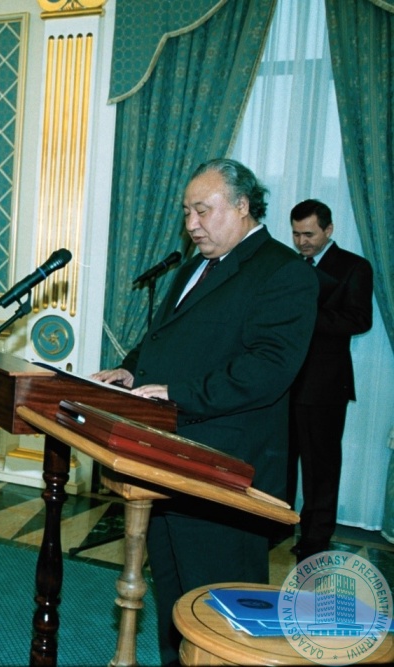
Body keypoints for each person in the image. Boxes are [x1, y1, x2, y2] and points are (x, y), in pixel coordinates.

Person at [91, 159, 317, 666]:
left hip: (226, 468)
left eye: (202, 210)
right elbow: (162, 338)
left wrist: (178, 393)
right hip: (169, 459)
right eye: (186, 212)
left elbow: (268, 368)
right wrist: (130, 370)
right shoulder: (194, 265)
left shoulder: (283, 271)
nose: (191, 223)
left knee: (221, 611)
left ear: (241, 206)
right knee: (175, 597)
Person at [287, 198, 373, 561]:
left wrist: (307, 317)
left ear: (329, 229)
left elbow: (359, 320)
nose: (302, 241)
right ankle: (277, 526)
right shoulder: (290, 265)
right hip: (284, 381)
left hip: (325, 384)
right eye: (296, 234)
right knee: (281, 460)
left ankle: (316, 538)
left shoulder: (354, 266)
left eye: (309, 234)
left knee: (320, 466)